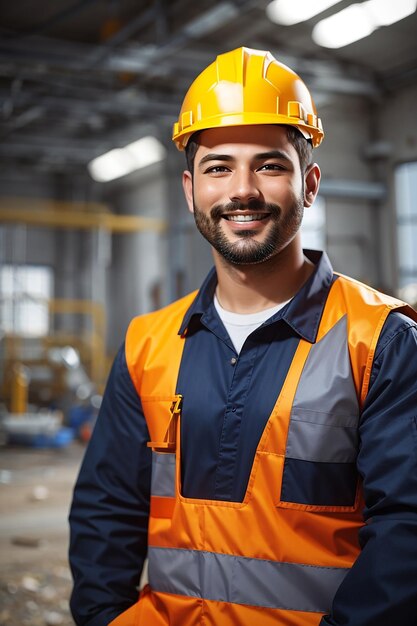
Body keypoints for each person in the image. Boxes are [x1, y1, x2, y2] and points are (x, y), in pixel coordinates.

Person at [69, 47, 417, 626]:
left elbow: (408, 529)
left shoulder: (380, 340)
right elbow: (107, 511)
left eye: (270, 165)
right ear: (190, 190)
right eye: (218, 167)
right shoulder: (147, 344)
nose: (244, 189)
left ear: (309, 184)